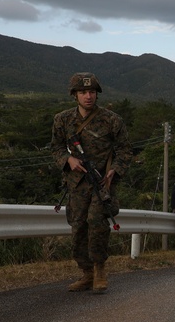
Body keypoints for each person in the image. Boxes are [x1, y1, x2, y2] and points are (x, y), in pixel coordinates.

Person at [51, 72, 131, 294]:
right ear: (74, 95)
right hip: (76, 184)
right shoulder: (63, 119)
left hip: (102, 183)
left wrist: (115, 169)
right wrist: (68, 159)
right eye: (83, 92)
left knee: (97, 223)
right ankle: (86, 273)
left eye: (92, 92)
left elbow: (125, 150)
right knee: (78, 228)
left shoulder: (112, 120)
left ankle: (99, 271)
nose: (88, 96)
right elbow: (56, 148)